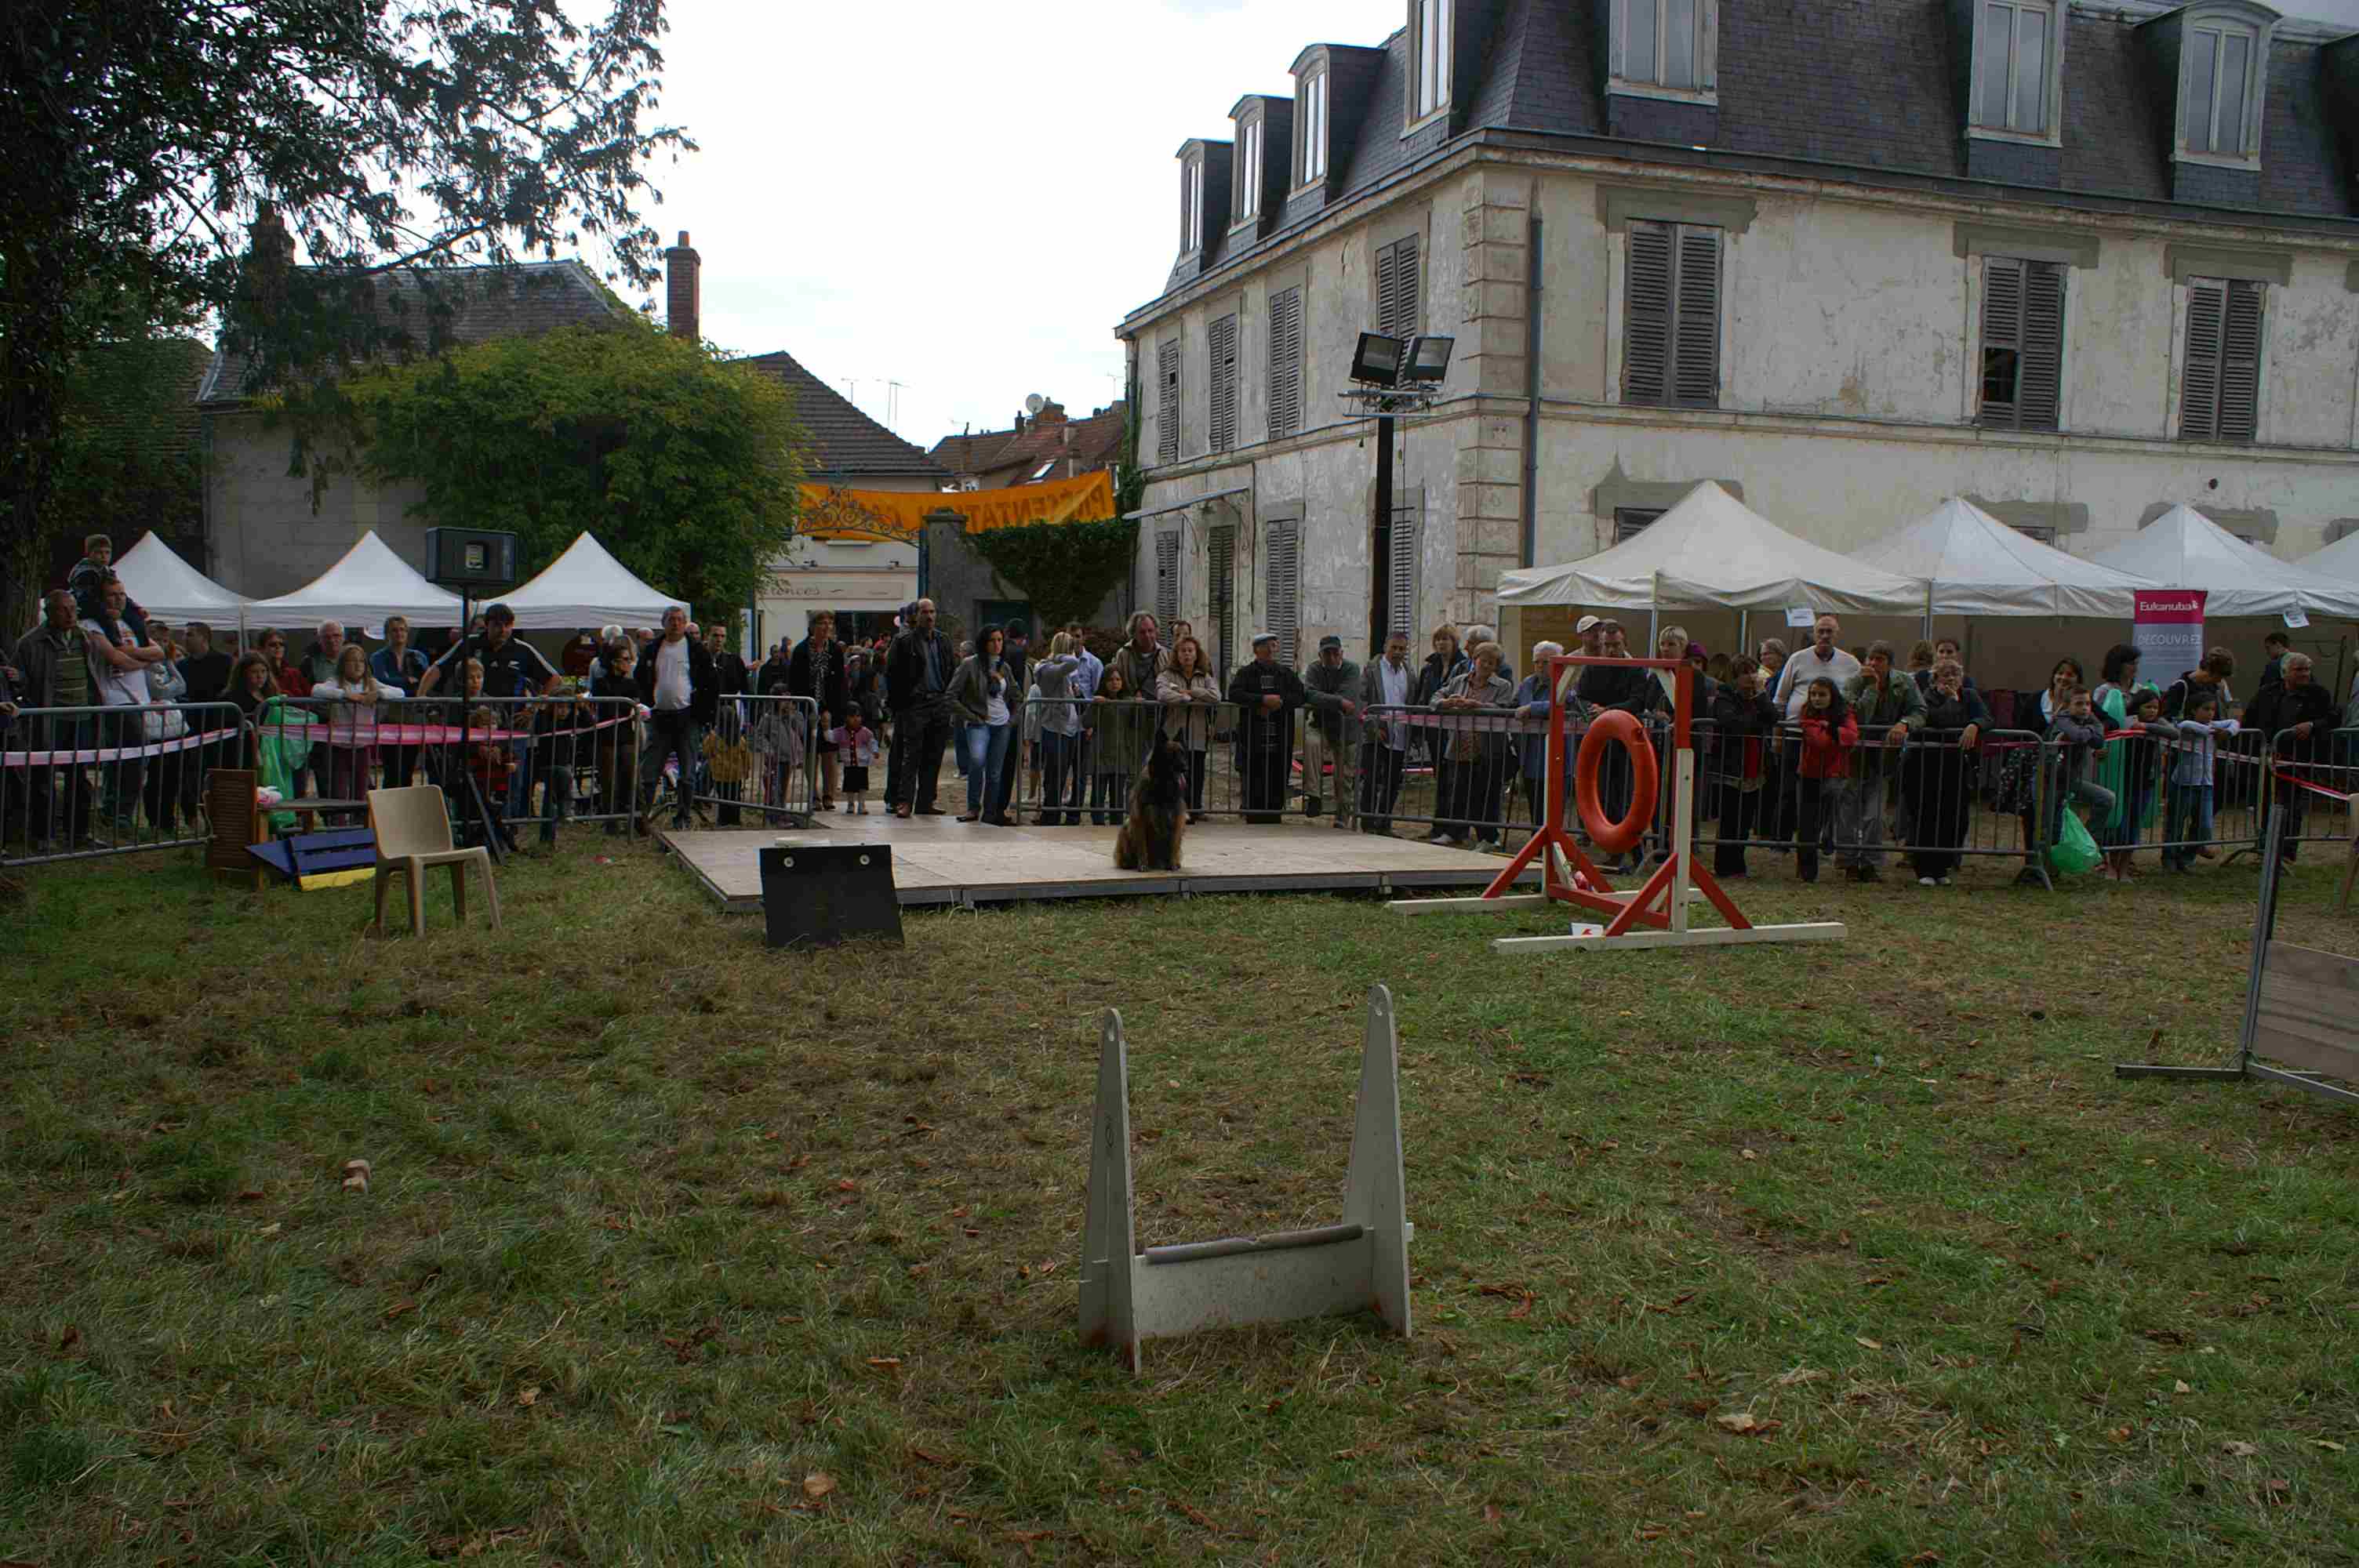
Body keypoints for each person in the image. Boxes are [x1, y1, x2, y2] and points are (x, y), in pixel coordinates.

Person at [82, 576, 165, 835]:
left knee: (129, 758)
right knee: (133, 756)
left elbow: (159, 652)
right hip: (115, 699)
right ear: (100, 598)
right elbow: (116, 659)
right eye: (112, 594)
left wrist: (129, 654)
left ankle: (116, 810)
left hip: (140, 699)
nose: (118, 599)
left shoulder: (130, 622)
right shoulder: (91, 624)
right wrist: (141, 660)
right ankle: (119, 812)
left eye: (122, 594)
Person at [1836, 641, 1923, 882]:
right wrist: (1872, 689)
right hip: (1853, 755)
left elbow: (1919, 711)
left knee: (1875, 815)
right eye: (1871, 659)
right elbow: (1852, 713)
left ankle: (1871, 864)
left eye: (1880, 659)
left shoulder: (1905, 682)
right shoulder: (1856, 681)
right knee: (1848, 812)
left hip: (1885, 758)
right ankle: (1848, 863)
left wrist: (1904, 724)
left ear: (1890, 663)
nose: (1873, 663)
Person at [2245, 651, 2339, 864]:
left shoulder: (2319, 694)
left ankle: (2287, 851)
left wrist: (2313, 725)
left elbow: (2334, 717)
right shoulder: (2267, 693)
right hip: (2268, 758)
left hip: (2298, 759)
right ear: (2285, 672)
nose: (2305, 674)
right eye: (2299, 670)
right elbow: (2251, 719)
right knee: (2264, 803)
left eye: (2307, 669)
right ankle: (2264, 848)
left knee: (2292, 806)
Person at [633, 604, 716, 837]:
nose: (676, 623)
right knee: (649, 773)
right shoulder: (653, 648)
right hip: (660, 717)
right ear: (663, 623)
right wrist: (647, 701)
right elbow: (640, 677)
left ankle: (683, 817)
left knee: (687, 773)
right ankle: (642, 820)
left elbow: (711, 683)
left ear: (685, 623)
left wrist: (703, 713)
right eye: (671, 619)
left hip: (688, 718)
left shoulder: (696, 650)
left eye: (680, 619)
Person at [1906, 659, 1986, 886]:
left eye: (1955, 674)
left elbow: (1986, 717)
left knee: (1954, 816)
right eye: (1945, 675)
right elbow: (1939, 719)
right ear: (1935, 679)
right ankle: (1924, 868)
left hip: (1956, 764)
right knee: (1927, 815)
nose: (1951, 679)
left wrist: (1975, 725)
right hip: (1926, 764)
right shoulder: (1926, 697)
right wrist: (1952, 701)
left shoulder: (1970, 695)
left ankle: (1942, 867)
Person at [1433, 641, 1514, 849]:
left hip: (1487, 747)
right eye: (1482, 660)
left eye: (1491, 663)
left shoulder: (1503, 686)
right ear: (1474, 660)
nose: (1485, 665)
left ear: (1496, 666)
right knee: (1458, 790)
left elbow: (1504, 708)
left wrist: (1478, 706)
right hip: (1460, 744)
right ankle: (1454, 832)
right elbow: (1436, 696)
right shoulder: (1458, 681)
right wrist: (1446, 702)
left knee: (1486, 794)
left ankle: (1489, 836)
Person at [1708, 656, 1783, 879]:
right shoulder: (1724, 696)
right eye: (1744, 672)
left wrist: (1761, 695)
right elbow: (1733, 723)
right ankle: (1724, 866)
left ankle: (1738, 866)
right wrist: (1758, 722)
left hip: (1754, 767)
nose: (1750, 677)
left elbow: (1773, 717)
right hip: (1730, 768)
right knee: (1729, 818)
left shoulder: (1758, 696)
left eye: (1753, 671)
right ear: (1734, 676)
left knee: (1745, 820)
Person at [884, 598, 955, 818]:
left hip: (939, 702)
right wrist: (902, 703)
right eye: (925, 612)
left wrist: (947, 699)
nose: (930, 616)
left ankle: (926, 801)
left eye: (932, 612)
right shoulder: (904, 641)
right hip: (915, 704)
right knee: (911, 755)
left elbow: (950, 669)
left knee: (934, 755)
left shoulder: (943, 640)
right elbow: (892, 674)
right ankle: (904, 801)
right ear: (916, 615)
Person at [1227, 631, 1305, 824]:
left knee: (1277, 782)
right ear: (1256, 650)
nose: (1270, 650)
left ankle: (1274, 817)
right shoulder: (1246, 673)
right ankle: (1254, 817)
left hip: (1280, 739)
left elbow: (1300, 695)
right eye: (1265, 646)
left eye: (1273, 645)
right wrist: (1261, 701)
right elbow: (1234, 693)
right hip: (1254, 740)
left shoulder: (1286, 673)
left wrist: (1280, 702)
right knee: (1254, 783)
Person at [313, 641, 402, 811]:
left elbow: (400, 692)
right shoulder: (336, 682)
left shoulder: (371, 683)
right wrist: (345, 695)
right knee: (338, 792)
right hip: (339, 747)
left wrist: (379, 693)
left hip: (362, 746)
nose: (357, 665)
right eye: (352, 661)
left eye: (361, 661)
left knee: (361, 792)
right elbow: (317, 690)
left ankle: (360, 823)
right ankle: (338, 824)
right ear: (342, 664)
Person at [2161, 689, 2238, 873]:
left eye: (2213, 710)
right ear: (2194, 710)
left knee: (2205, 826)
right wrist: (2215, 731)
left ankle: (2187, 857)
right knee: (2175, 824)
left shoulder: (2213, 725)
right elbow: (2192, 726)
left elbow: (2235, 723)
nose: (2210, 713)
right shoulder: (2186, 725)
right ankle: (2170, 858)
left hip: (2206, 785)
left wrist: (2228, 732)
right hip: (2183, 784)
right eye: (2206, 709)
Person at [947, 625, 1016, 824]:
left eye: (1000, 640)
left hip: (1002, 724)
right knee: (977, 761)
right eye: (992, 640)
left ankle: (990, 812)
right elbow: (951, 696)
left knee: (995, 772)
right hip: (979, 723)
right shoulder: (970, 664)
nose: (997, 644)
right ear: (984, 643)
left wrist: (1012, 721)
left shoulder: (1004, 667)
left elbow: (1018, 696)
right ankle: (973, 808)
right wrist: (971, 717)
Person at [1510, 641, 1579, 837]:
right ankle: (1537, 841)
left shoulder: (1567, 682)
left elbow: (1566, 701)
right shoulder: (1527, 683)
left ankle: (1551, 842)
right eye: (1537, 662)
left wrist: (1532, 708)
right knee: (1535, 806)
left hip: (1558, 756)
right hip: (1530, 755)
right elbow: (1513, 705)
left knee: (1554, 810)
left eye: (1546, 662)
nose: (1540, 666)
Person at [1792, 677, 1856, 885]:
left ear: (1832, 696)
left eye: (1822, 694)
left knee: (1832, 814)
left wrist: (1828, 727)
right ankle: (1807, 872)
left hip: (1835, 774)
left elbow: (1852, 736)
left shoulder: (1844, 712)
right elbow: (1818, 741)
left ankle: (1828, 839)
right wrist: (1834, 731)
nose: (1817, 698)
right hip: (1810, 773)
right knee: (1807, 824)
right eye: (1813, 694)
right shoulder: (1806, 712)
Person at [1154, 633, 1221, 824]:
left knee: (1197, 773)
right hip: (1174, 733)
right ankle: (1175, 810)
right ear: (1177, 654)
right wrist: (1183, 699)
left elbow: (1216, 696)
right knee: (1174, 775)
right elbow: (1162, 693)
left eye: (1190, 651)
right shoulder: (1167, 675)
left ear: (1196, 654)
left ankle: (1194, 809)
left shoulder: (1205, 676)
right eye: (1183, 651)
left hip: (1198, 733)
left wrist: (1192, 692)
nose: (1187, 654)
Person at [788, 613, 848, 813]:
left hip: (830, 710)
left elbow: (840, 683)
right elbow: (795, 682)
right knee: (811, 753)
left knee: (830, 753)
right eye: (822, 623)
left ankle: (829, 795)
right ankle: (813, 795)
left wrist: (832, 711)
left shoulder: (835, 650)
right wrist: (802, 708)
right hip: (807, 708)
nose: (827, 626)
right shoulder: (801, 650)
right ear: (813, 626)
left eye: (830, 623)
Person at [1359, 629, 1416, 836]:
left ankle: (1384, 823)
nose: (1398, 652)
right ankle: (1367, 823)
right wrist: (1373, 726)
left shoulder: (1409, 673)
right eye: (1394, 648)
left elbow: (1411, 702)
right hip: (1376, 734)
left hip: (1399, 734)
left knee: (1393, 782)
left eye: (1402, 649)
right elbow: (1362, 699)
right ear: (1385, 647)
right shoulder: (1371, 669)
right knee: (1372, 780)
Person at [1301, 635, 1361, 827]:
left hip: (1346, 728)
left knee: (1343, 777)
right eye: (1327, 653)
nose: (1331, 657)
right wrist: (1339, 702)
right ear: (1320, 655)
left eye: (1335, 653)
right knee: (1311, 744)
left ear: (1341, 653)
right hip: (1319, 723)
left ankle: (1342, 816)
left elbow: (1348, 695)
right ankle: (1314, 796)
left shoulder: (1352, 669)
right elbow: (1309, 694)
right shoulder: (1314, 669)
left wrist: (1326, 700)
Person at [366, 615, 431, 788]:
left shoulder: (418, 656)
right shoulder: (378, 657)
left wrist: (399, 684)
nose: (399, 633)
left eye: (402, 630)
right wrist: (407, 682)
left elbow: (424, 681)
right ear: (387, 634)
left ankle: (406, 801)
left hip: (412, 716)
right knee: (391, 767)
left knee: (408, 767)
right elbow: (380, 680)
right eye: (394, 630)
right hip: (388, 716)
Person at [1030, 632, 1087, 825]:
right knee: (1055, 775)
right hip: (1055, 727)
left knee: (1064, 774)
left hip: (1070, 727)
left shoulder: (1061, 669)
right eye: (1071, 647)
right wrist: (1060, 655)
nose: (1074, 651)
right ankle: (1050, 816)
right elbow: (1073, 662)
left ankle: (1058, 815)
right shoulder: (1047, 668)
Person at [589, 636, 640, 836]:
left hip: (627, 735)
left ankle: (638, 820)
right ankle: (610, 822)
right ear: (614, 662)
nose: (629, 663)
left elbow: (634, 705)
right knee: (609, 781)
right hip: (607, 736)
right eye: (625, 659)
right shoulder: (601, 683)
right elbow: (609, 707)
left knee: (631, 778)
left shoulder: (632, 683)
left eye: (629, 659)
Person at [1090, 663, 1150, 820]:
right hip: (1101, 755)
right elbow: (1086, 722)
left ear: (1123, 682)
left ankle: (1116, 824)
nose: (1114, 683)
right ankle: (1097, 824)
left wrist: (1139, 708)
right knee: (1098, 795)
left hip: (1121, 756)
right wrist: (1095, 706)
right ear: (1104, 682)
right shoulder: (1099, 701)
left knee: (1117, 796)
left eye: (1118, 679)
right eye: (1110, 680)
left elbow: (1138, 724)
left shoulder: (1128, 702)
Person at [67, 533, 149, 642]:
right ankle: (117, 645)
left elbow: (119, 592)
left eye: (107, 552)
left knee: (136, 617)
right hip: (86, 608)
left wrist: (136, 608)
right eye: (99, 552)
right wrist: (106, 611)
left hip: (104, 606)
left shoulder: (107, 571)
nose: (103, 556)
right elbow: (85, 600)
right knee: (109, 623)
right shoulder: (85, 573)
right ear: (89, 554)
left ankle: (144, 644)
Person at [830, 707, 880, 814]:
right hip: (848, 765)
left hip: (862, 765)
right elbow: (830, 737)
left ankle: (862, 805)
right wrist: (825, 728)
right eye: (852, 716)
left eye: (858, 716)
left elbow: (872, 742)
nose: (856, 719)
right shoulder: (840, 732)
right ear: (846, 718)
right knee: (849, 787)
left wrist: (875, 751)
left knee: (863, 786)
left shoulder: (865, 732)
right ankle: (850, 805)